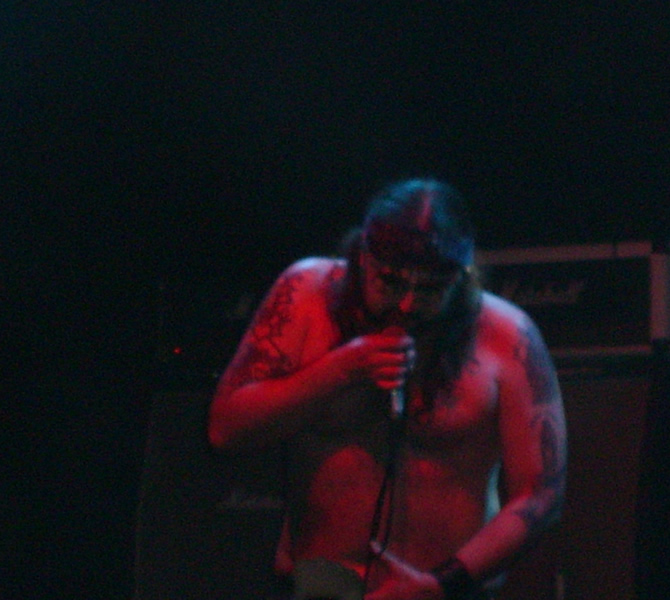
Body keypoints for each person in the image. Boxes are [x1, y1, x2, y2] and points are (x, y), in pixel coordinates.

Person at [208, 179, 567, 600]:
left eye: (431, 289)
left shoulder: (507, 334)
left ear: (462, 275)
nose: (408, 304)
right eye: (391, 283)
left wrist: (443, 584)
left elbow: (540, 493)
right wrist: (341, 369)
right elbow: (226, 428)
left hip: (447, 588)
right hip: (325, 584)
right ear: (362, 257)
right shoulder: (306, 295)